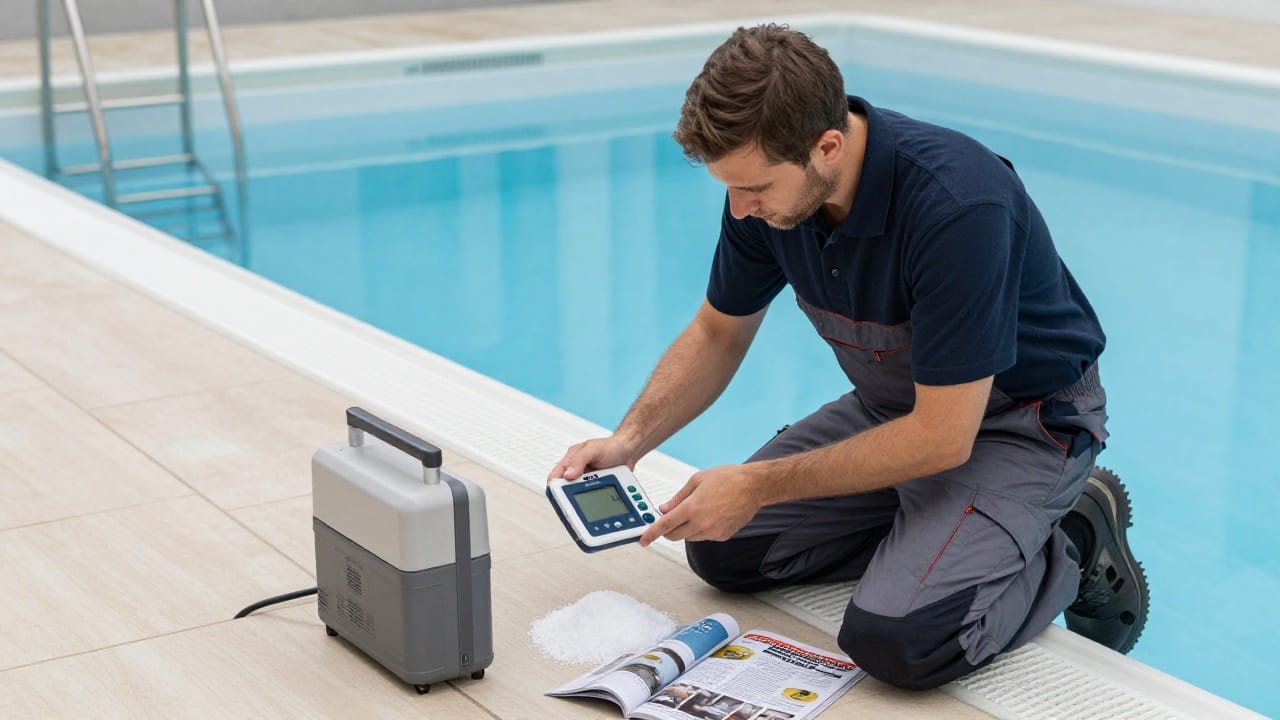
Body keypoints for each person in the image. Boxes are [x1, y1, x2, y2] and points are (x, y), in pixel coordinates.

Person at [549, 24, 1148, 690]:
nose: (741, 210)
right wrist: (629, 440)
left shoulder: (957, 206)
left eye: (755, 189)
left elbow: (944, 437)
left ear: (827, 146)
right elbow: (717, 332)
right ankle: (936, 531)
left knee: (899, 640)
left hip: (1021, 428)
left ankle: (1070, 541)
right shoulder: (765, 194)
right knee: (722, 550)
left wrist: (756, 485)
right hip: (899, 410)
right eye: (730, 189)